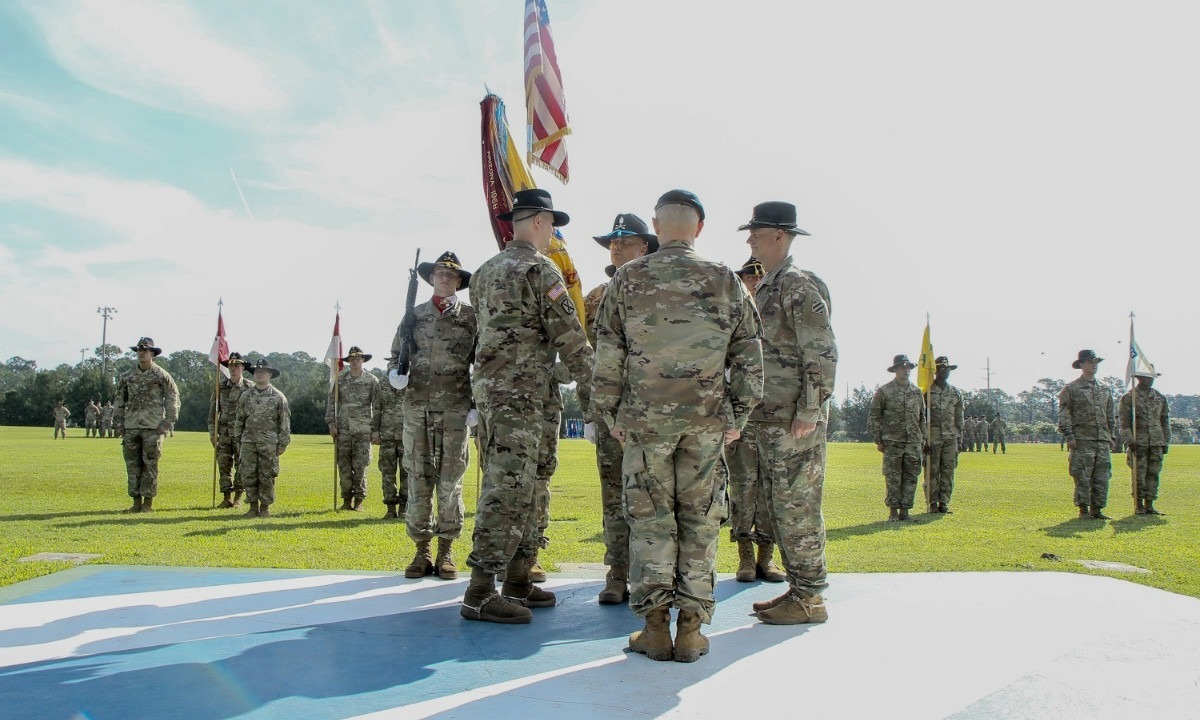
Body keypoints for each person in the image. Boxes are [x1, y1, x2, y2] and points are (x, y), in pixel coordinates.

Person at [594, 189, 763, 661]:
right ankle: (690, 630)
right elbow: (750, 356)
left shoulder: (627, 278)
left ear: (656, 226)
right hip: (706, 424)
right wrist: (737, 415)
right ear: (699, 228)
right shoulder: (725, 280)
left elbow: (608, 353)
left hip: (645, 423)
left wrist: (611, 414)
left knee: (651, 523)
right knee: (700, 522)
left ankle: (654, 629)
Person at [462, 188, 594, 624]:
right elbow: (571, 338)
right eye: (552, 223)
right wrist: (598, 397)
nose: (553, 232)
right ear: (538, 221)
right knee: (510, 486)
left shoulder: (483, 273)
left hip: (502, 395)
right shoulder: (540, 269)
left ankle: (518, 579)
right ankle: (480, 591)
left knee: (531, 481)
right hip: (522, 397)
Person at [738, 201, 835, 628]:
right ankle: (799, 590)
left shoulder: (797, 285)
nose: (750, 240)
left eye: (756, 234)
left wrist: (809, 410)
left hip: (794, 421)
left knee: (798, 508)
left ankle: (810, 598)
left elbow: (822, 352)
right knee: (780, 507)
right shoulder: (770, 284)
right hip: (771, 419)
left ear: (779, 235)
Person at [583, 213, 657, 603]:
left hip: (654, 411)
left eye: (625, 241)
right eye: (612, 241)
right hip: (611, 412)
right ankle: (617, 573)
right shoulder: (595, 298)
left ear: (644, 246)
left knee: (655, 495)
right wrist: (589, 411)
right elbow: (587, 360)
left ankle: (655, 574)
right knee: (614, 494)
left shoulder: (661, 290)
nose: (616, 247)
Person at [389, 251, 477, 580]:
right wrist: (394, 373)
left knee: (450, 482)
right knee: (418, 480)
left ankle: (446, 549)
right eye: (439, 273)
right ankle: (421, 550)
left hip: (455, 409)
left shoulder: (471, 318)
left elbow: (481, 362)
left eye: (451, 275)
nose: (444, 278)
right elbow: (396, 354)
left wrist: (476, 405)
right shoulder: (413, 316)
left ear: (458, 282)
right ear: (430, 279)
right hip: (417, 409)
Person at [726, 254, 783, 584]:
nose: (756, 283)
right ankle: (745, 556)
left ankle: (766, 556)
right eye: (750, 278)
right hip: (741, 418)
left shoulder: (777, 315)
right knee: (743, 487)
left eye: (760, 278)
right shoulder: (733, 313)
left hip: (773, 415)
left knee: (769, 488)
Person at [114, 337, 180, 513]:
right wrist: (119, 422)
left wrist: (168, 422)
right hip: (131, 426)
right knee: (132, 466)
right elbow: (119, 400)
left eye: (145, 350)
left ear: (152, 353)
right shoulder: (127, 376)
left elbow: (173, 398)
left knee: (150, 466)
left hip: (153, 427)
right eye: (139, 350)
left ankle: (147, 503)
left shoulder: (161, 375)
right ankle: (136, 502)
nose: (141, 353)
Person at [1058, 349, 1117, 519]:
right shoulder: (1072, 389)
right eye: (1090, 362)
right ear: (1081, 364)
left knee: (1102, 476)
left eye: (1096, 362)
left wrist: (1112, 436)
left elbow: (1110, 415)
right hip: (1082, 439)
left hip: (1102, 439)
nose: (1094, 365)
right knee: (1082, 475)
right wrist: (1069, 436)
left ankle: (1097, 509)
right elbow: (1064, 414)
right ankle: (1083, 509)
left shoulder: (1105, 389)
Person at [868, 355, 926, 522]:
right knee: (893, 477)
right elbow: (874, 417)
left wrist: (923, 438)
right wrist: (878, 439)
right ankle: (893, 512)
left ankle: (905, 511)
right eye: (902, 367)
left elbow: (922, 417)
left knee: (911, 476)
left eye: (908, 367)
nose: (906, 370)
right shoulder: (884, 391)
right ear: (895, 370)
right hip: (892, 442)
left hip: (913, 442)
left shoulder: (916, 392)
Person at [234, 359, 290, 518]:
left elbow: (284, 422)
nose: (259, 374)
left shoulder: (278, 397)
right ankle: (252, 507)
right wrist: (238, 439)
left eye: (263, 372)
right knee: (248, 475)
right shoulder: (246, 396)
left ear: (270, 375)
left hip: (269, 443)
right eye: (257, 372)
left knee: (267, 476)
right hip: (248, 442)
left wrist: (283, 443)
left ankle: (265, 508)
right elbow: (239, 419)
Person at [327, 346, 380, 511]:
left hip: (363, 430)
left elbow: (377, 406)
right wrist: (331, 424)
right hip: (343, 430)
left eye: (358, 359)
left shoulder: (372, 381)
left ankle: (359, 500)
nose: (355, 362)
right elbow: (332, 403)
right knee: (343, 466)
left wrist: (376, 430)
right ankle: (346, 500)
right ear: (348, 361)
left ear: (363, 360)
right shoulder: (340, 380)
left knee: (360, 466)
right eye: (352, 359)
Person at [1120, 369, 1170, 515]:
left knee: (1153, 474)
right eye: (1148, 377)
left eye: (1152, 377)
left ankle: (1150, 504)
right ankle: (1139, 505)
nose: (1151, 380)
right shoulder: (1129, 398)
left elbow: (1164, 421)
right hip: (1138, 443)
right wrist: (1129, 440)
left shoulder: (1160, 397)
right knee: (1139, 475)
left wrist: (1166, 441)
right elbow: (1124, 423)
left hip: (1156, 442)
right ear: (1140, 378)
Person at [209, 352, 252, 508]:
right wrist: (212, 433)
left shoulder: (250, 388)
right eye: (231, 365)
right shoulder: (220, 387)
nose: (233, 368)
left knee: (241, 466)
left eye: (237, 365)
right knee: (224, 465)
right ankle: (226, 497)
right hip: (224, 434)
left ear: (243, 368)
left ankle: (238, 497)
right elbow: (213, 413)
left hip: (242, 435)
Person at [925, 356, 964, 513]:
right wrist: (923, 439)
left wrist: (960, 440)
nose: (945, 371)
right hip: (932, 438)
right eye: (941, 368)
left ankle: (944, 502)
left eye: (947, 368)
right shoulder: (926, 392)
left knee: (948, 471)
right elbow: (921, 417)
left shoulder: (955, 393)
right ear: (935, 371)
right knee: (932, 471)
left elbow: (959, 418)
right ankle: (932, 503)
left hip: (951, 438)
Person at [374, 372, 407, 519]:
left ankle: (404, 507)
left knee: (407, 473)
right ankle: (390, 508)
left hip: (407, 435)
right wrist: (375, 431)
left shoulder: (411, 381)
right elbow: (377, 408)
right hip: (387, 434)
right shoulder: (383, 382)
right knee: (387, 473)